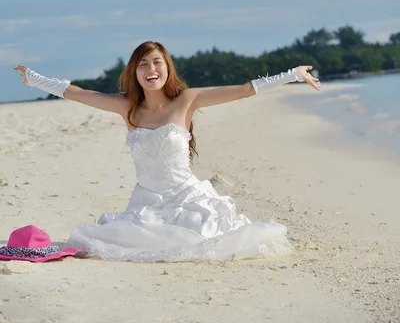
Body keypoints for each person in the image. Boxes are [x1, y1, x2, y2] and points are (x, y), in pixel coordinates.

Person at [14, 40, 321, 263]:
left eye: (157, 62)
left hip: (187, 197)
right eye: (143, 63)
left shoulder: (187, 99)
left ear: (167, 68)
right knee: (112, 238)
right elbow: (79, 94)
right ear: (135, 71)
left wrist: (291, 74)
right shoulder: (127, 107)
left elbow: (242, 90)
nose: (151, 69)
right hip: (145, 203)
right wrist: (33, 79)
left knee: (204, 234)